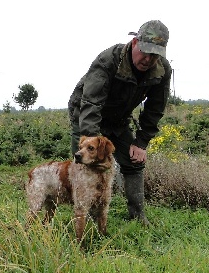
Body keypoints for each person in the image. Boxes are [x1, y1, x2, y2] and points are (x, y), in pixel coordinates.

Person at [68, 20, 172, 225]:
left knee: (134, 162)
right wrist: (92, 145)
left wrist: (141, 143)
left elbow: (155, 108)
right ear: (134, 43)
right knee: (86, 164)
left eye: (155, 55)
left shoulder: (162, 70)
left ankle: (138, 217)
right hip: (86, 116)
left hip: (118, 119)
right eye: (145, 52)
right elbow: (91, 103)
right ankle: (87, 220)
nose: (148, 59)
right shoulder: (108, 61)